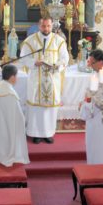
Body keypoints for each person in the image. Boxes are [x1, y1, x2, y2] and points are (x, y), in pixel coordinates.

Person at [20, 16, 69, 144]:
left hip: (52, 79)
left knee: (49, 109)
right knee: (37, 108)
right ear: (39, 25)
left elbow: (65, 59)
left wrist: (57, 65)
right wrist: (34, 63)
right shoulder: (30, 41)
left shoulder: (59, 41)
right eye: (43, 26)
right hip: (36, 79)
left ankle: (48, 133)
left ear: (52, 26)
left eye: (48, 26)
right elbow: (23, 58)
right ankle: (35, 133)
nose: (46, 29)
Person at [0, 65, 30, 166]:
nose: (17, 78)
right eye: (16, 76)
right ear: (12, 77)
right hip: (8, 128)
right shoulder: (10, 94)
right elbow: (18, 117)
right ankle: (8, 155)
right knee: (8, 137)